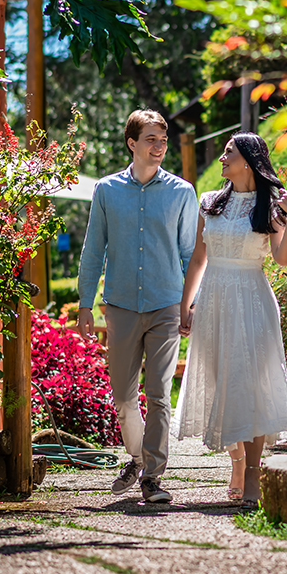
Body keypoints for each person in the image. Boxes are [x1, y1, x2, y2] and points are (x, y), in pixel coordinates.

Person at [77, 109, 199, 504]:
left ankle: (153, 477)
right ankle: (136, 457)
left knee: (160, 394)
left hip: (166, 304)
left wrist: (190, 304)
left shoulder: (182, 193)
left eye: (162, 139)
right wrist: (84, 305)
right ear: (132, 143)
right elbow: (93, 251)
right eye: (150, 139)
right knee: (124, 397)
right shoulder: (107, 191)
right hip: (122, 306)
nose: (159, 146)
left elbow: (190, 255)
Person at [173, 131, 287, 506]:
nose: (221, 159)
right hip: (213, 302)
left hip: (253, 302)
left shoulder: (270, 206)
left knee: (249, 386)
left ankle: (253, 475)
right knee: (219, 385)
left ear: (247, 159)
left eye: (228, 153)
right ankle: (238, 460)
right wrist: (186, 305)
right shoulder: (210, 202)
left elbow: (283, 258)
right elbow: (199, 258)